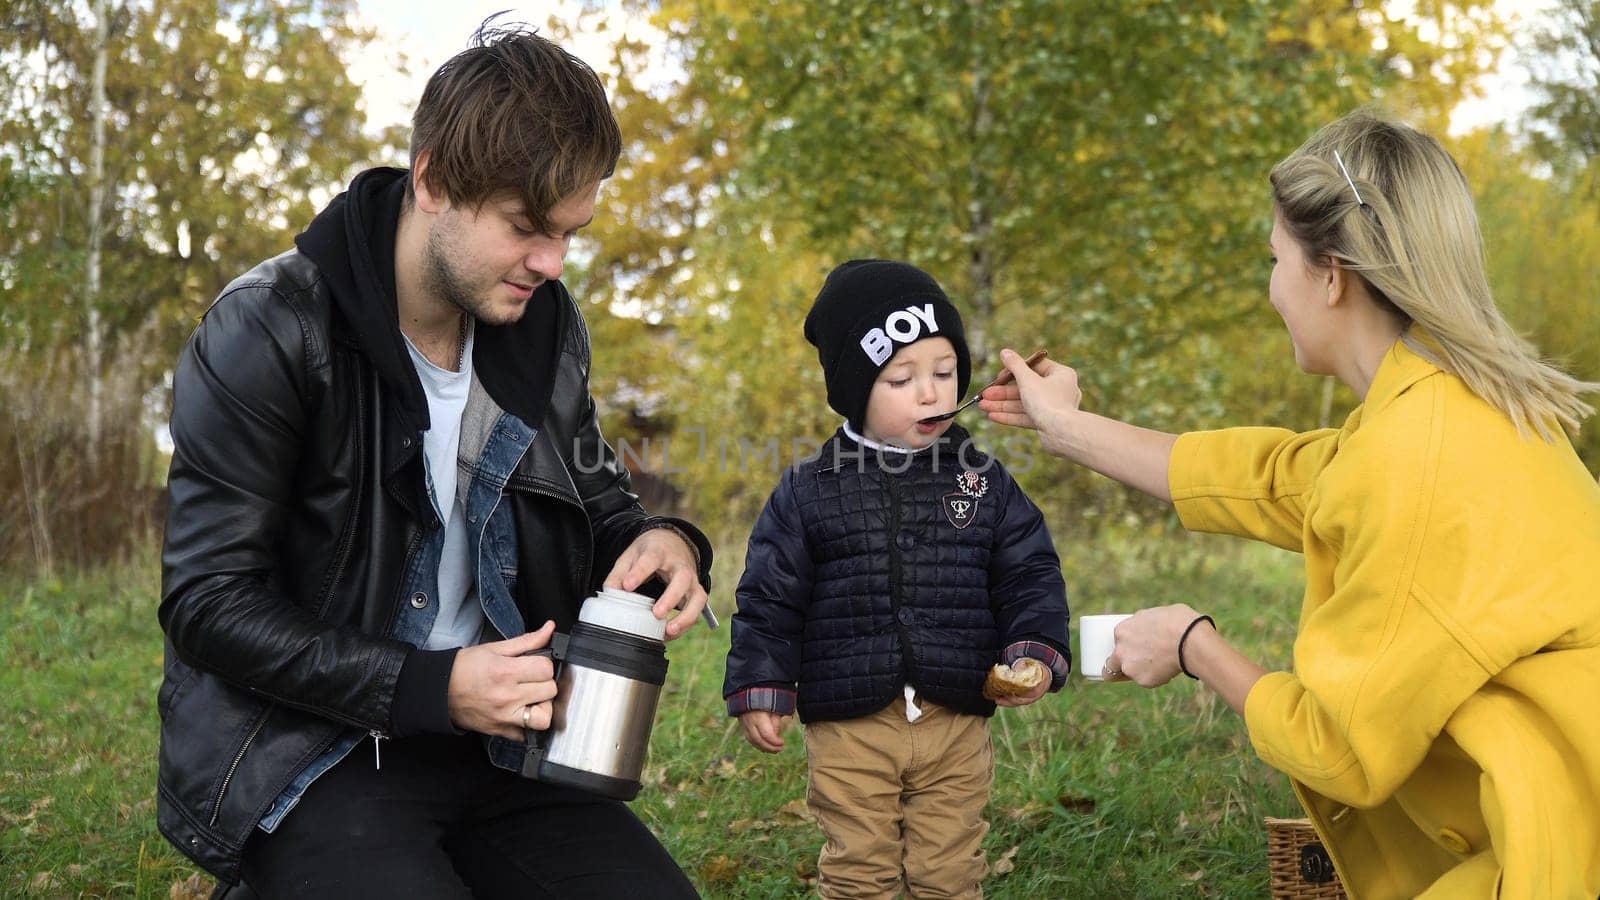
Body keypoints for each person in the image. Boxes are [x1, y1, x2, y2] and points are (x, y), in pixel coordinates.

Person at [981, 110, 1600, 898]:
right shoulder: (1439, 403)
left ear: (1331, 274)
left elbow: (1341, 749)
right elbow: (1274, 476)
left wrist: (1192, 645)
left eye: (1275, 258)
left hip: (1554, 853)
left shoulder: (1417, 461)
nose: (1272, 285)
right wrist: (1065, 428)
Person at [156, 22, 712, 898]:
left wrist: (665, 542)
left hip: (505, 748)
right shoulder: (269, 326)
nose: (551, 263)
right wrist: (430, 686)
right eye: (527, 228)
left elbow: (601, 503)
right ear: (433, 181)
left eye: (570, 232)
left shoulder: (543, 325)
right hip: (314, 752)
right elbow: (206, 602)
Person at [723, 259, 1072, 899]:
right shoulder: (810, 490)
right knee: (861, 870)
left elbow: (1029, 573)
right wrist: (762, 681)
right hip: (851, 724)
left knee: (949, 870)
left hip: (956, 716)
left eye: (944, 372)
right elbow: (770, 597)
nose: (931, 393)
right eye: (902, 378)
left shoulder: (981, 479)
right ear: (856, 390)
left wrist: (1035, 649)